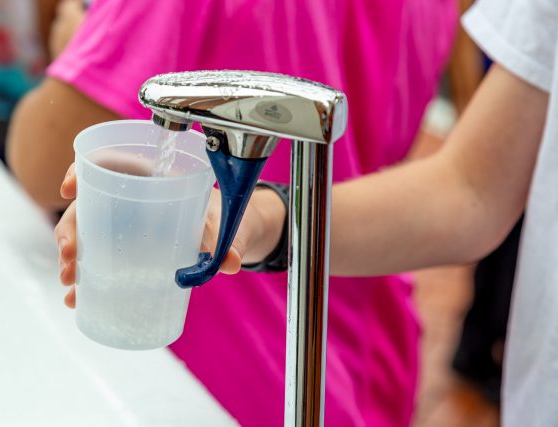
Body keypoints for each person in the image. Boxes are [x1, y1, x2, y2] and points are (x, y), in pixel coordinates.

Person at [57, 0, 556, 425]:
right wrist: (256, 216)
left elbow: (44, 150)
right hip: (368, 349)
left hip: (242, 365)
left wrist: (75, 34)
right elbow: (468, 188)